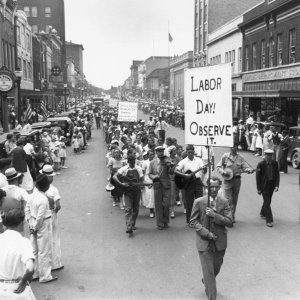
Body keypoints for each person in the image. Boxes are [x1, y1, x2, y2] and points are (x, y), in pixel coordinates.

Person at [190, 176, 233, 300]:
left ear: (220, 187)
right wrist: (206, 234)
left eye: (216, 186)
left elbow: (230, 222)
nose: (213, 189)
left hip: (220, 243)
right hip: (204, 242)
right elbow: (193, 222)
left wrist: (215, 215)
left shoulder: (224, 202)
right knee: (209, 273)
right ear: (206, 188)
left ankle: (206, 280)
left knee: (215, 269)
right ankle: (212, 296)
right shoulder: (199, 202)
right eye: (211, 187)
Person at [25, 174, 57, 283]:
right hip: (43, 224)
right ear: (45, 187)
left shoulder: (31, 195)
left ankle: (34, 273)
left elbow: (27, 210)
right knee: (44, 250)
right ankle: (45, 276)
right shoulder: (43, 199)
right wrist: (36, 227)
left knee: (34, 250)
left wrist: (30, 224)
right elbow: (41, 216)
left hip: (33, 222)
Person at [0, 208, 36, 300]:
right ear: (20, 224)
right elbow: (30, 268)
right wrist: (24, 280)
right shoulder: (24, 242)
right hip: (18, 289)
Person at [216, 145, 253, 223]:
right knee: (228, 199)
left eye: (235, 147)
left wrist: (248, 170)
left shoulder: (240, 157)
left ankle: (232, 216)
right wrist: (223, 172)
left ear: (237, 148)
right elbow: (218, 166)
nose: (233, 148)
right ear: (230, 147)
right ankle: (227, 216)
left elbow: (245, 167)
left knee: (234, 200)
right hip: (227, 181)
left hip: (237, 180)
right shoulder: (225, 156)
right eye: (232, 147)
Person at [113, 150, 144, 236]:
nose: (133, 163)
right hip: (127, 192)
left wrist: (142, 185)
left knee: (136, 209)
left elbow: (141, 180)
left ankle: (132, 223)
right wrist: (121, 183)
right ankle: (129, 227)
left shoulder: (139, 168)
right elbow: (114, 176)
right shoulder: (124, 169)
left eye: (134, 161)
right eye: (131, 161)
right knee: (128, 209)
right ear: (128, 162)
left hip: (136, 191)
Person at [41, 165, 64, 271]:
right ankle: (56, 263)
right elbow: (58, 206)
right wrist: (54, 210)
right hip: (51, 214)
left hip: (41, 216)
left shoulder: (38, 188)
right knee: (54, 237)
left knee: (43, 240)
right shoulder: (53, 189)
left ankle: (44, 265)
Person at [175, 145, 205, 225]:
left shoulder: (199, 160)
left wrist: (204, 169)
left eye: (192, 150)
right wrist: (184, 175)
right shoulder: (183, 161)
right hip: (188, 183)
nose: (190, 151)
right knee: (189, 202)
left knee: (200, 201)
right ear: (186, 151)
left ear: (194, 151)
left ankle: (200, 220)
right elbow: (175, 171)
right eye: (188, 150)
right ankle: (189, 220)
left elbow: (203, 170)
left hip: (198, 182)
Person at [148, 145, 173, 230]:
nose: (160, 153)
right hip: (157, 185)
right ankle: (160, 223)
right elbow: (149, 173)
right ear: (156, 152)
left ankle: (165, 220)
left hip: (166, 185)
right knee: (158, 205)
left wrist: (170, 166)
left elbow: (171, 172)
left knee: (166, 204)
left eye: (162, 151)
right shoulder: (152, 162)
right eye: (159, 151)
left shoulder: (167, 160)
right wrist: (154, 177)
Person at [256, 149, 280, 227]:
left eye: (270, 155)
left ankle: (262, 212)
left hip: (271, 185)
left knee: (268, 200)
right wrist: (258, 188)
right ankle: (269, 220)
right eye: (267, 155)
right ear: (265, 155)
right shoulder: (261, 164)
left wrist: (277, 185)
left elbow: (277, 175)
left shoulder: (275, 164)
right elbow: (258, 177)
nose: (269, 157)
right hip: (264, 186)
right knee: (267, 201)